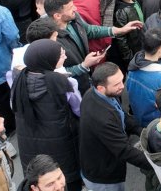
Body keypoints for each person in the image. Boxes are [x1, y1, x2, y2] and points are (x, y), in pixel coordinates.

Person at [11, 39, 83, 190]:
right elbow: (79, 110)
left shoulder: (16, 79)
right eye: (60, 55)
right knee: (62, 181)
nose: (64, 57)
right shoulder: (65, 83)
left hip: (29, 145)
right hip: (61, 144)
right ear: (48, 60)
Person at [79, 62, 149, 191]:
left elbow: (120, 114)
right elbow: (123, 150)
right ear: (101, 88)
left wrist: (141, 131)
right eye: (116, 84)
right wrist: (155, 163)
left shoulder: (98, 93)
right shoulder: (102, 118)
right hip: (104, 177)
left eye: (122, 80)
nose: (122, 87)